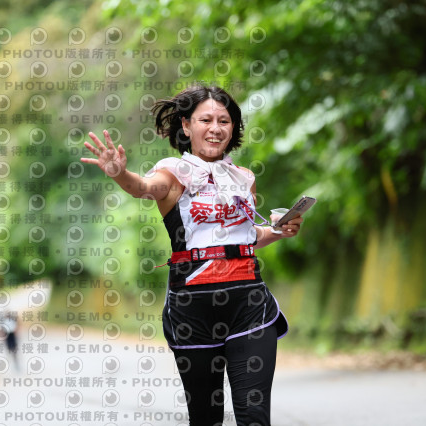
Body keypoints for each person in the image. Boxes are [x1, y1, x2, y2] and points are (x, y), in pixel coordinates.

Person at [81, 84, 303, 426]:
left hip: (249, 305)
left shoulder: (244, 178)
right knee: (205, 418)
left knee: (255, 417)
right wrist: (119, 172)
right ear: (186, 126)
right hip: (193, 312)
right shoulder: (171, 175)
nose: (216, 128)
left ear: (233, 128)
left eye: (224, 121)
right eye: (206, 120)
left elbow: (246, 237)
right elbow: (142, 188)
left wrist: (279, 230)